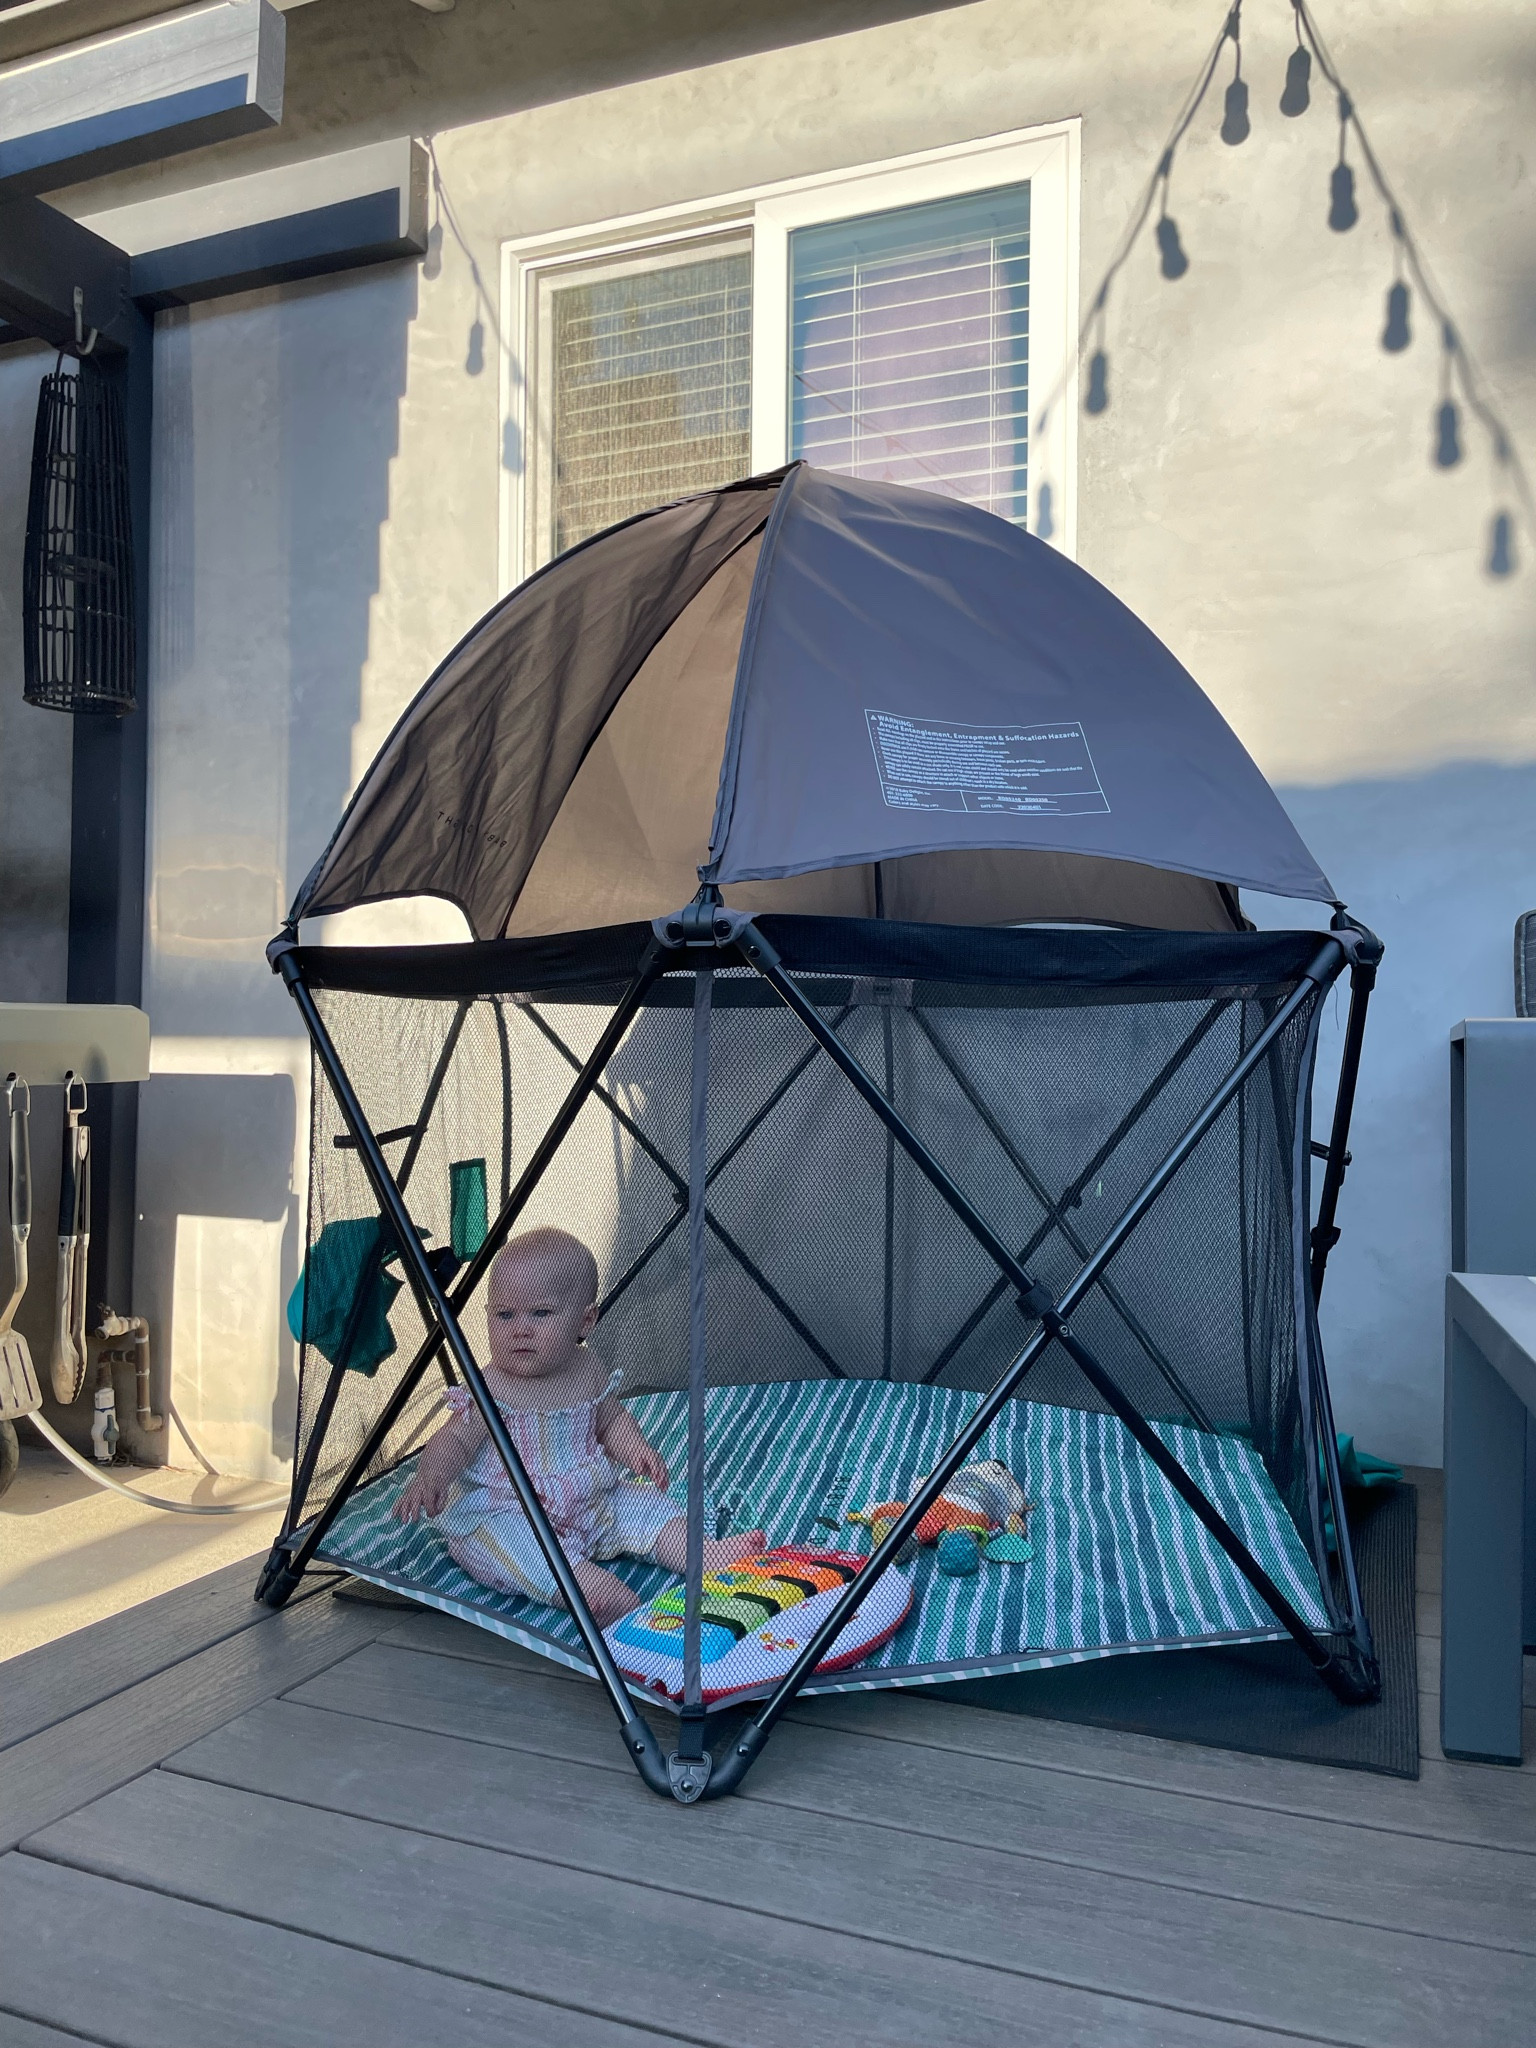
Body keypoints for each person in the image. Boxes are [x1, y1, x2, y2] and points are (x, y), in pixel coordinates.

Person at [393, 1225, 762, 1625]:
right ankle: (587, 1589)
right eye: (504, 1314)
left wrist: (635, 1449)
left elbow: (610, 1420)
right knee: (519, 1547)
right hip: (508, 1508)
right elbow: (455, 1439)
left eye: (540, 1313)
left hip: (587, 1501)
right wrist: (432, 1474)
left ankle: (704, 1555)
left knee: (645, 1506)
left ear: (585, 1321)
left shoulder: (588, 1369)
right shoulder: (491, 1385)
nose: (520, 1328)